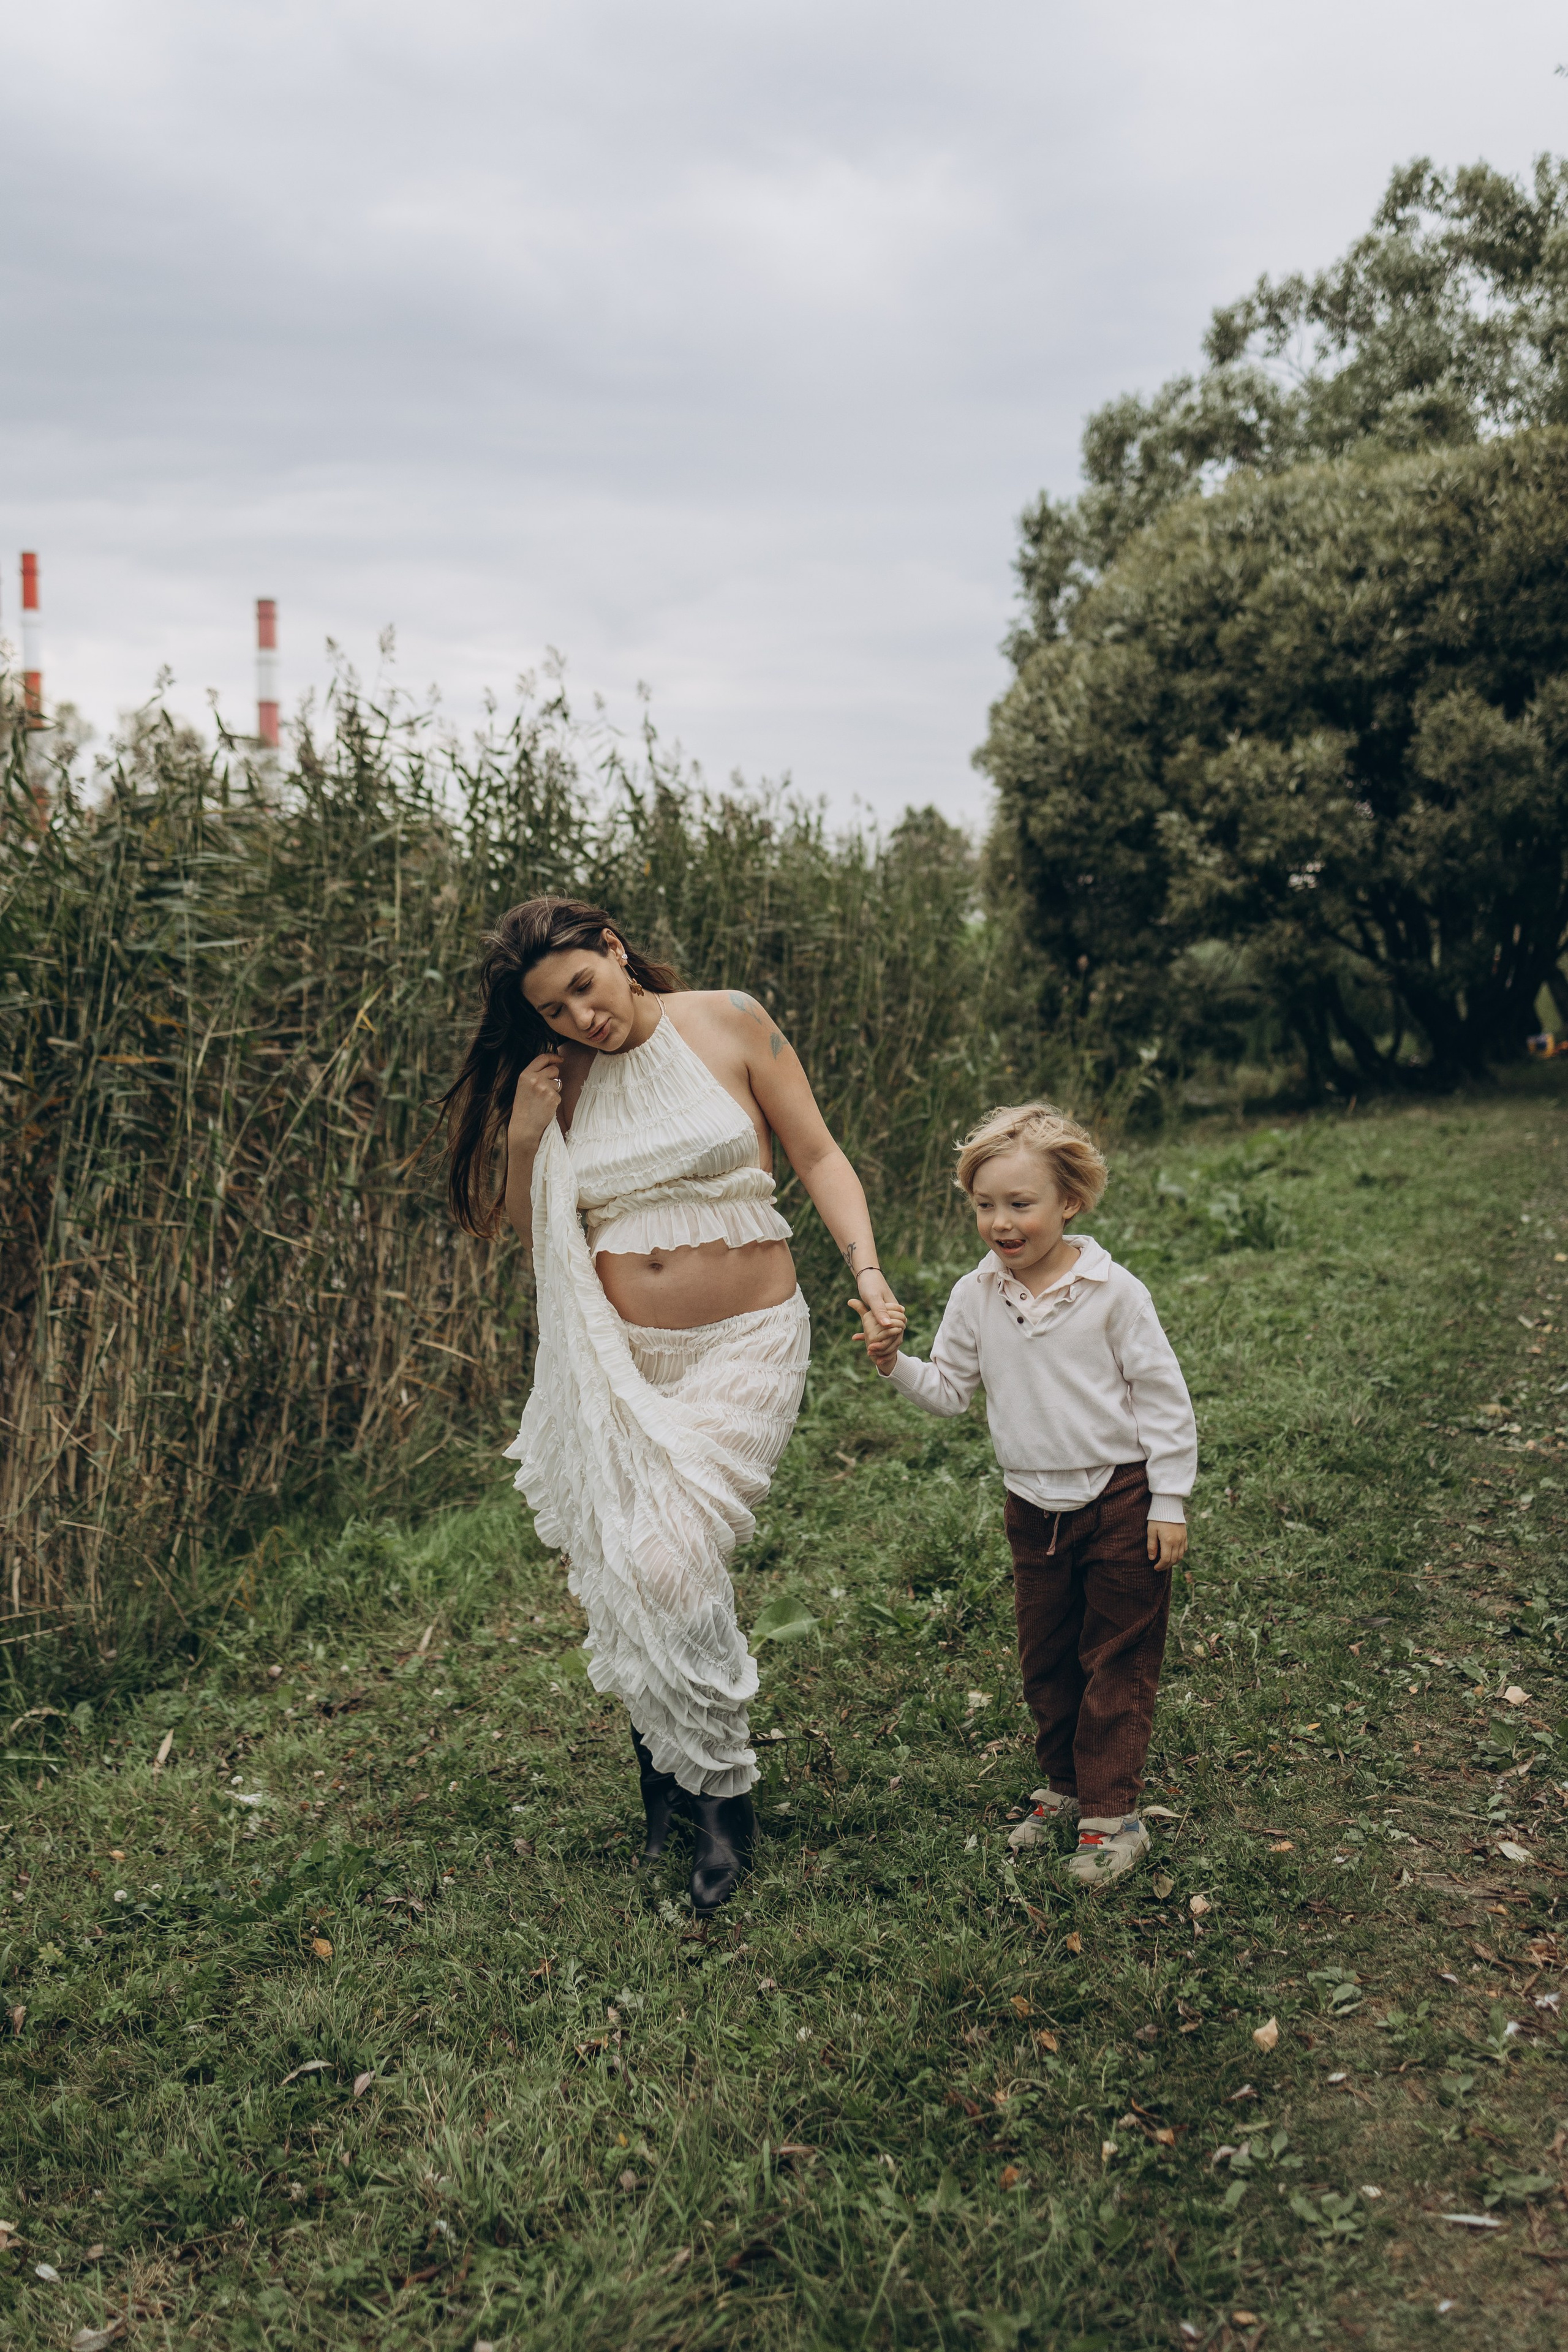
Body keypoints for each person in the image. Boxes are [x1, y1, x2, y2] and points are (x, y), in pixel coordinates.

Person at [442, 898, 905, 1915]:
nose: (579, 1019)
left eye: (583, 987)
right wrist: (525, 1133)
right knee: (631, 1562)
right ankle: (668, 1769)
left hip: (750, 1337)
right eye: (554, 1011)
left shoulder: (729, 1019)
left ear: (612, 949)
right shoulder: (559, 1085)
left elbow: (820, 1156)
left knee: (666, 1556)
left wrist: (866, 1273)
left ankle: (719, 1800)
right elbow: (528, 1229)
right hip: (624, 1357)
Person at [853, 1102, 1194, 1886]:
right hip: (1032, 1508)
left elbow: (1163, 1399)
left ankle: (1111, 1813)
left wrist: (1169, 1500)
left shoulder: (1113, 1292)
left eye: (1019, 1204)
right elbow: (947, 1392)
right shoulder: (975, 1296)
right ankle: (1064, 1786)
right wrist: (891, 1363)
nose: (1000, 1224)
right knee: (1046, 1657)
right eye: (984, 1206)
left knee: (1116, 1653)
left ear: (1067, 1202)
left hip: (1121, 1499)